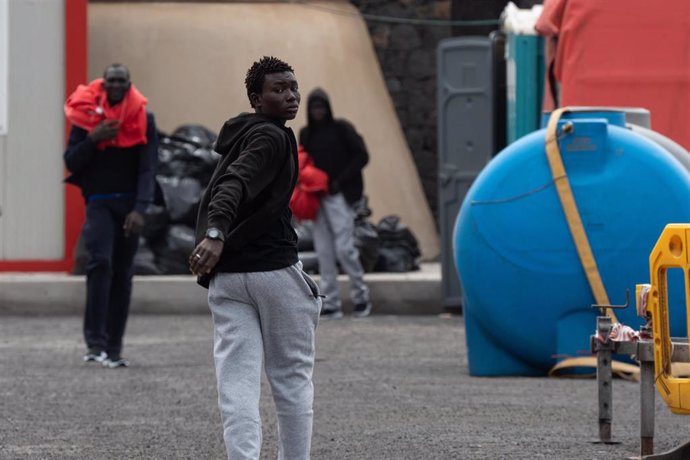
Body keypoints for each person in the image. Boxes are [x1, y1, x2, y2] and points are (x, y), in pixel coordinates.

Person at [189, 56, 320, 460]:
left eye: (293, 87)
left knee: (237, 384)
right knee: (291, 378)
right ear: (256, 98)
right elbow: (234, 183)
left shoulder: (245, 133)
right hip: (273, 272)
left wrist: (218, 238)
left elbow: (232, 181)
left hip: (228, 277)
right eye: (278, 89)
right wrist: (215, 232)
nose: (290, 96)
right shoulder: (271, 137)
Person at [64, 63, 158, 368]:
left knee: (122, 272)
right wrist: (94, 137)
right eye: (111, 81)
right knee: (100, 263)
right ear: (102, 85)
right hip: (99, 203)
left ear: (130, 85)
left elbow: (148, 167)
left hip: (130, 206)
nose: (116, 86)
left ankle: (114, 347)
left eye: (122, 81)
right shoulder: (86, 118)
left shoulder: (144, 118)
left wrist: (141, 209)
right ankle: (95, 342)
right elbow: (71, 161)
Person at [299, 88, 372, 319]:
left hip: (339, 196)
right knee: (324, 252)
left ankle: (361, 298)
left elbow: (362, 155)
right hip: (316, 197)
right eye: (314, 107)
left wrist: (340, 181)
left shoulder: (342, 129)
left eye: (321, 106)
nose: (318, 111)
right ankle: (330, 303)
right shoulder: (306, 133)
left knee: (344, 249)